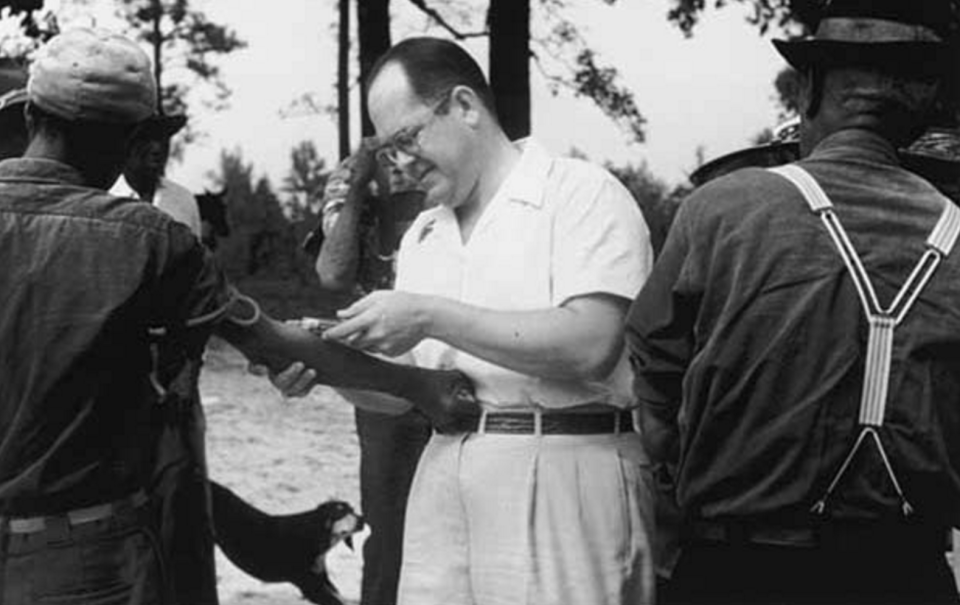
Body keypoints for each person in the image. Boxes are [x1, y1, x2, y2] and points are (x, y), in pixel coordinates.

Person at [0, 28, 476, 605]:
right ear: (130, 140)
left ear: (30, 116)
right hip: (87, 557)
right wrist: (421, 386)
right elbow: (272, 343)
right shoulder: (149, 241)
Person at [626, 0, 960, 603]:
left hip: (736, 570)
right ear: (924, 102)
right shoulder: (958, 234)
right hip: (907, 573)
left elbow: (654, 386)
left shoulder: (719, 209)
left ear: (807, 89)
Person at [304, 37, 656, 605]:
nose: (398, 163)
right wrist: (326, 365)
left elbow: (592, 344)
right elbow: (405, 394)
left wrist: (428, 314)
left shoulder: (580, 193)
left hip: (568, 473)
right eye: (388, 149)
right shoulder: (424, 234)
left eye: (406, 138)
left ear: (465, 106)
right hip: (445, 475)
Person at [304, 142, 432, 605]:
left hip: (455, 365)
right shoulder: (353, 174)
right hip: (384, 379)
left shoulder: (448, 155)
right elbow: (333, 274)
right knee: (389, 532)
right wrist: (359, 187)